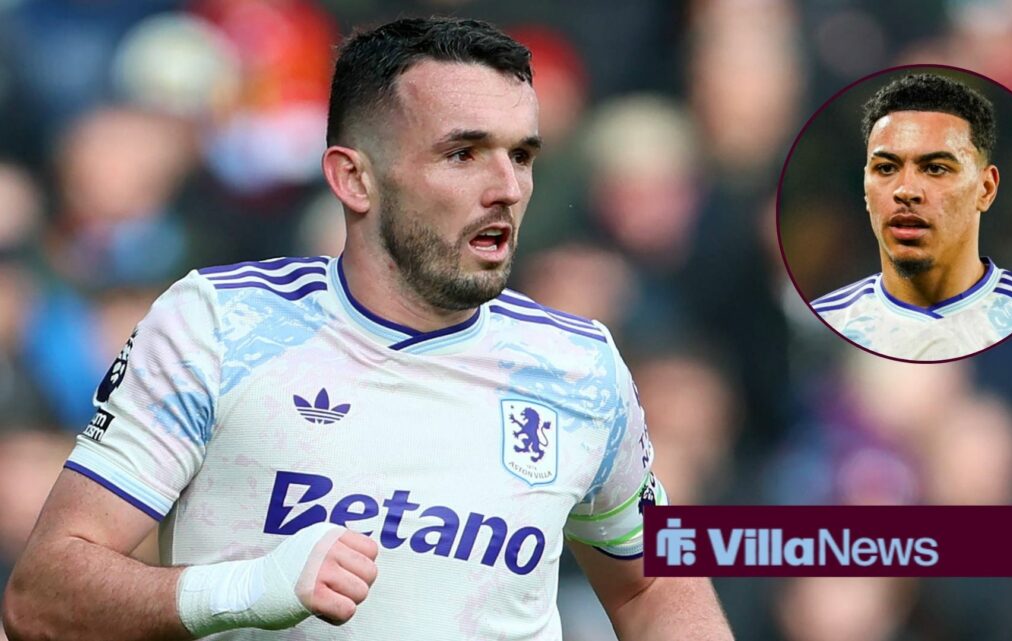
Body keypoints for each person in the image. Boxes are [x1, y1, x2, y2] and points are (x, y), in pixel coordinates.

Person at [1, 17, 732, 641]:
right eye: (463, 152)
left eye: (522, 154)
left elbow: (652, 585)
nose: (507, 187)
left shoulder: (579, 365)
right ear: (354, 179)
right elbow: (41, 598)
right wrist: (243, 591)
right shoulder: (222, 326)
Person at [810, 73, 1012, 361]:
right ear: (865, 187)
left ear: (986, 189)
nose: (906, 191)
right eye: (886, 168)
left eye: (936, 168)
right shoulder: (827, 325)